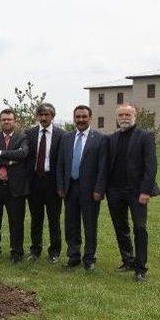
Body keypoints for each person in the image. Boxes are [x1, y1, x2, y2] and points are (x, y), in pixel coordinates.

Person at [104, 104, 160, 282]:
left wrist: (145, 191)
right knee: (120, 227)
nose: (124, 117)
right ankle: (128, 260)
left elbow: (151, 166)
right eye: (121, 115)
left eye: (128, 114)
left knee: (140, 228)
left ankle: (140, 268)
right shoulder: (112, 138)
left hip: (137, 192)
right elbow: (106, 166)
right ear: (117, 118)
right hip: (115, 191)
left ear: (134, 116)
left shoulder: (145, 136)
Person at [56, 105, 106, 271]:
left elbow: (102, 167)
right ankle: (73, 256)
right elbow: (61, 164)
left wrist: (99, 189)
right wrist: (61, 186)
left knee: (90, 225)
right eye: (78, 117)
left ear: (90, 118)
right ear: (74, 118)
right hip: (70, 188)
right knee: (71, 224)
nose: (81, 120)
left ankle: (89, 258)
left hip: (91, 190)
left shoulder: (99, 138)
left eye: (84, 117)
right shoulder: (67, 138)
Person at [0, 109, 30, 262]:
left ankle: (16, 253)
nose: (6, 122)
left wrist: (1, 153)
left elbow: (23, 153)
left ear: (14, 121)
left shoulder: (22, 137)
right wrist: (10, 160)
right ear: (0, 121)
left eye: (9, 119)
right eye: (4, 119)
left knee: (16, 222)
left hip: (15, 187)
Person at [25, 103, 65, 263]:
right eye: (40, 115)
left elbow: (63, 161)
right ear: (37, 117)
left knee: (54, 218)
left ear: (52, 116)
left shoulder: (62, 135)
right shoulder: (29, 134)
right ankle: (35, 250)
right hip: (34, 180)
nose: (43, 118)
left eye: (46, 115)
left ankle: (54, 251)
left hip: (52, 181)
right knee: (36, 218)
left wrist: (61, 184)